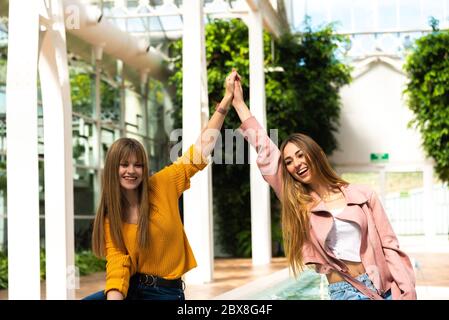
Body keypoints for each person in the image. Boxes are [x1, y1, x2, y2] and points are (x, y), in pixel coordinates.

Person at [231, 73, 416, 300]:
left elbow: (389, 246)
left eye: (301, 155)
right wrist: (239, 104)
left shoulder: (363, 195)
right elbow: (266, 150)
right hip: (344, 292)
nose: (296, 164)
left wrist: (407, 291)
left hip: (383, 289)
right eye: (288, 161)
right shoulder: (301, 203)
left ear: (316, 155)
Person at [83, 70, 239, 300]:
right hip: (131, 289)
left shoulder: (161, 184)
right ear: (112, 169)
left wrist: (225, 102)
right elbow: (118, 264)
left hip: (166, 292)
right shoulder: (111, 216)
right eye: (124, 165)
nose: (131, 171)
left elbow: (199, 152)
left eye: (138, 165)